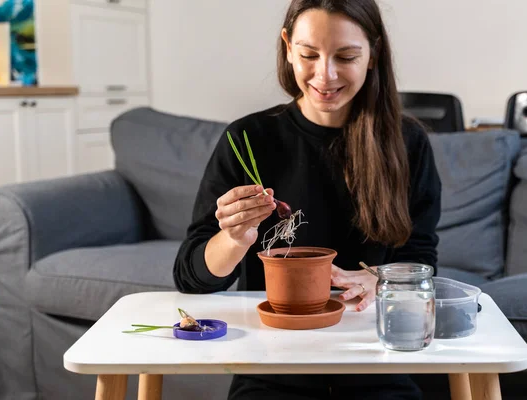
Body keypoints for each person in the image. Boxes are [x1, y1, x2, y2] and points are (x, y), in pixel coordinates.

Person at [173, 0, 441, 398]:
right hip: (272, 367)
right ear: (287, 48)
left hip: (376, 363)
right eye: (308, 54)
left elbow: (421, 259)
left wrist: (381, 279)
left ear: (374, 54)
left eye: (346, 56)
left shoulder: (407, 142)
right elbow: (191, 279)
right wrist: (233, 239)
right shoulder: (247, 139)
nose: (325, 75)